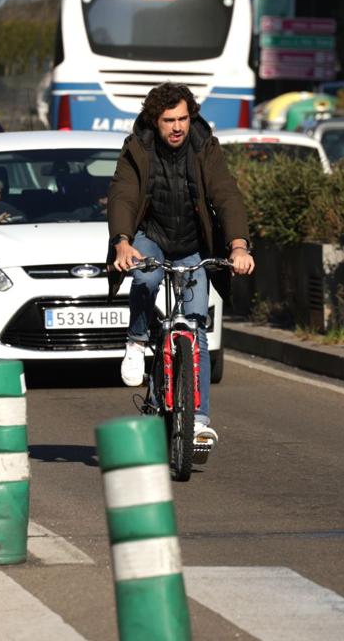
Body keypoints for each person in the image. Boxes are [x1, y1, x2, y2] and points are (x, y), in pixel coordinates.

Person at [107, 82, 255, 454]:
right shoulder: (137, 149)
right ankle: (137, 340)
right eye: (169, 120)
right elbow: (123, 195)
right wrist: (123, 242)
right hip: (151, 236)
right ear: (154, 121)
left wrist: (238, 245)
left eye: (183, 119)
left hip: (191, 246)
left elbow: (226, 193)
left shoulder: (205, 147)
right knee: (146, 275)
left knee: (195, 325)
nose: (177, 127)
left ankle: (199, 420)